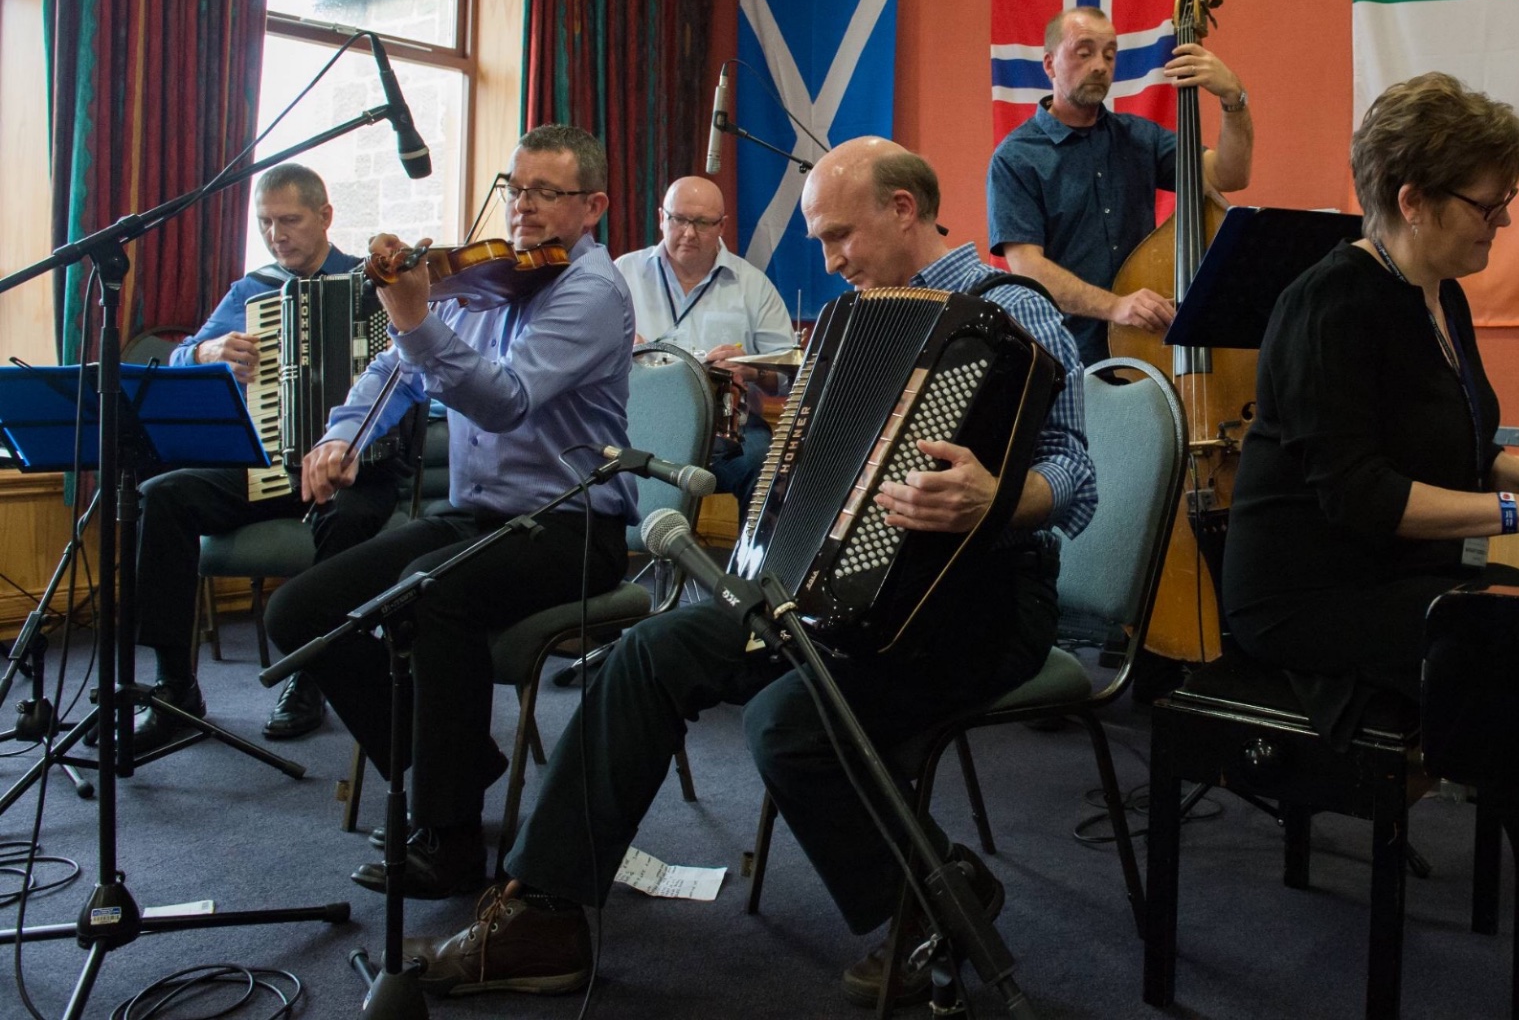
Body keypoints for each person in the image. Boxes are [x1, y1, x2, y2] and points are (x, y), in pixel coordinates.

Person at [400, 137, 1097, 1007]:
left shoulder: (1009, 309)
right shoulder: (855, 317)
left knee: (786, 721)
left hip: (982, 598)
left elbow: (1078, 473)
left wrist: (994, 498)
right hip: (835, 590)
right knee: (645, 654)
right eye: (821, 243)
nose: (832, 260)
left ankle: (932, 893)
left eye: (841, 236)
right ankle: (544, 914)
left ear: (904, 210)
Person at [1220, 72, 1519, 1019]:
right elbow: (1361, 499)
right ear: (1411, 198)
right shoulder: (1328, 305)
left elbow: (1470, 445)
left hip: (1399, 574)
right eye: (1488, 204)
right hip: (1309, 597)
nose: (1500, 223)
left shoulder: (1439, 294)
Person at [263, 124, 637, 900]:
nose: (522, 207)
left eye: (545, 192)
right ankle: (453, 767)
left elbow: (505, 402)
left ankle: (452, 835)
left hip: (573, 526)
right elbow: (391, 375)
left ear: (592, 205)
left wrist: (415, 317)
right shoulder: (482, 283)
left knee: (433, 591)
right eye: (513, 188)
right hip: (480, 516)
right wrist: (339, 437)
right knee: (302, 610)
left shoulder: (592, 292)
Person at [127, 164, 401, 753]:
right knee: (162, 497)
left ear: (325, 217)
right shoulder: (251, 290)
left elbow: (414, 379)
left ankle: (310, 673)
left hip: (361, 466)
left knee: (347, 516)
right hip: (272, 463)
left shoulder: (374, 284)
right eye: (265, 223)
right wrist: (208, 350)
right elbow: (175, 364)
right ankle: (175, 687)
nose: (276, 234)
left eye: (289, 220)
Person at [988, 4, 1253, 364]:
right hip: (1065, 359)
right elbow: (1027, 267)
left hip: (1145, 353)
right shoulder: (1016, 157)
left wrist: (1232, 97)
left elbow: (1229, 175)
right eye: (1084, 53)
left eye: (1109, 55)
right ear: (1049, 64)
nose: (1100, 65)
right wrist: (1115, 307)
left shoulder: (1140, 137)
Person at [613, 175, 796, 506]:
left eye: (702, 223)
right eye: (678, 219)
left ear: (722, 225)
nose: (688, 233)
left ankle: (752, 559)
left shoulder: (753, 286)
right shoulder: (623, 274)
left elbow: (789, 376)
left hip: (724, 433)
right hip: (637, 424)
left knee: (768, 466)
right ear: (661, 218)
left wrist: (750, 370)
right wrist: (615, 347)